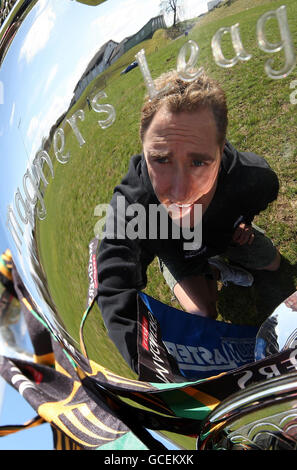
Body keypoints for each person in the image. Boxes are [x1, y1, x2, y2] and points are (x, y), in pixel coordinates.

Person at [96, 70, 280, 373]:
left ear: (220, 152)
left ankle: (217, 260)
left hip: (227, 236)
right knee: (202, 311)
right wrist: (158, 375)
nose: (179, 191)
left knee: (273, 264)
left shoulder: (254, 176)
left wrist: (243, 222)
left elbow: (261, 196)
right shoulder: (133, 203)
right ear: (143, 148)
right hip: (179, 252)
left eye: (198, 162)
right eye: (161, 159)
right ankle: (190, 267)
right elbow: (114, 287)